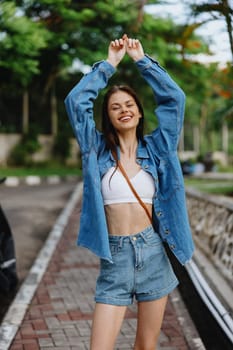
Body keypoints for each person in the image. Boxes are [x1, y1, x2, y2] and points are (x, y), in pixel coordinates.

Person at [65, 34, 194, 350]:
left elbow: (174, 99)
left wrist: (141, 60)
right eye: (114, 107)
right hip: (116, 257)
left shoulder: (159, 148)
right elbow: (75, 102)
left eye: (129, 104)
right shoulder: (95, 150)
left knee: (146, 347)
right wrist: (110, 64)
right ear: (107, 116)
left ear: (138, 111)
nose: (123, 110)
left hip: (153, 255)